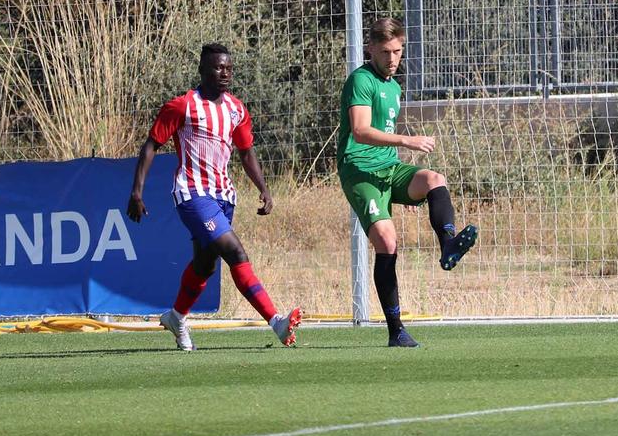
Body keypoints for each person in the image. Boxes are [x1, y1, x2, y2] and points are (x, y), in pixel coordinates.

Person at [127, 43, 300, 351]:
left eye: (229, 68)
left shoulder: (236, 109)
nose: (225, 73)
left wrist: (263, 187)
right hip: (192, 193)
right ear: (203, 70)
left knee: (205, 266)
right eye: (219, 68)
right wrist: (137, 191)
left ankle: (176, 317)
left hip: (224, 196)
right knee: (236, 253)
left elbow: (246, 152)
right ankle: (276, 321)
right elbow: (151, 145)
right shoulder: (183, 106)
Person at [336, 18, 478, 348]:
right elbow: (360, 131)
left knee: (433, 179)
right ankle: (396, 330)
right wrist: (407, 141)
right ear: (370, 48)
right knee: (387, 241)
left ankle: (448, 246)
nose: (393, 58)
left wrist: (400, 149)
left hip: (389, 167)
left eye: (398, 51)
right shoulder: (361, 80)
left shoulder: (393, 87)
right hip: (360, 171)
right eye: (385, 52)